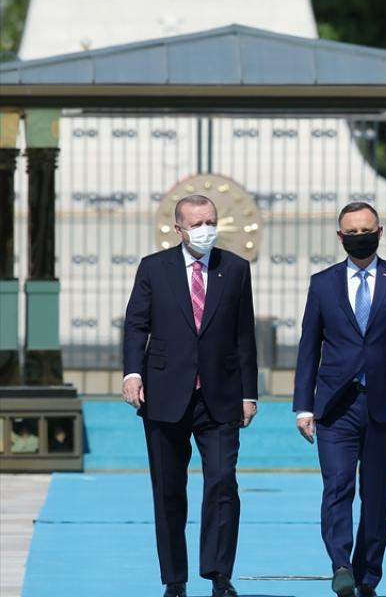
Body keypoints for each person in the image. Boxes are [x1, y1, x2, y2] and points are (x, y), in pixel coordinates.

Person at [293, 202, 386, 597]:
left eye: (366, 230)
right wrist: (304, 406)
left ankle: (368, 575)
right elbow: (309, 347)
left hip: (385, 405)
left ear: (380, 232)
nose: (359, 237)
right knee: (337, 486)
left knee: (376, 493)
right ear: (340, 237)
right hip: (336, 406)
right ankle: (341, 565)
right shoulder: (323, 284)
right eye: (351, 232)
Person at [122, 194, 258, 597]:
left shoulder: (235, 268)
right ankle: (175, 579)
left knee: (223, 482)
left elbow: (244, 334)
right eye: (197, 224)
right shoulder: (153, 268)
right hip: (164, 394)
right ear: (179, 228)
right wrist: (133, 373)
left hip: (220, 396)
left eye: (211, 221)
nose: (205, 230)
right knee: (168, 489)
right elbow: (136, 324)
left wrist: (249, 393)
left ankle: (219, 574)